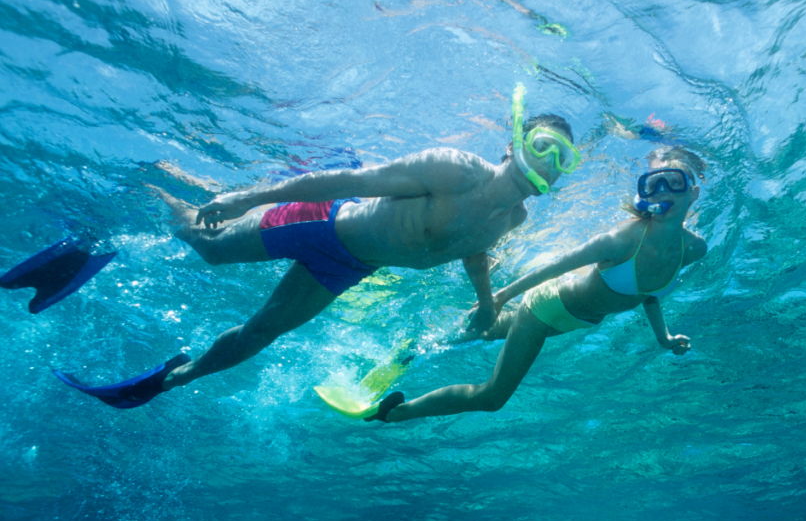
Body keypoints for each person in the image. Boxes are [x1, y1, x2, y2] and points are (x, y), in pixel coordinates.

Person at [54, 85, 582, 409]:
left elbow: (473, 254)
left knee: (260, 334)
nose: (548, 166)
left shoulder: (514, 217)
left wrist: (487, 303)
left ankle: (173, 379)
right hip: (322, 223)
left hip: (349, 266)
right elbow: (342, 181)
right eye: (543, 148)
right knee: (206, 245)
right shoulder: (454, 169)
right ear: (514, 141)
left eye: (563, 162)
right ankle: (152, 185)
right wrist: (248, 197)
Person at [375, 147, 708, 423]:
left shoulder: (693, 249)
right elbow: (556, 266)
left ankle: (415, 349)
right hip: (546, 308)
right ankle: (395, 414)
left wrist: (663, 337)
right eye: (654, 184)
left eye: (673, 183)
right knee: (492, 397)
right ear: (644, 192)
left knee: (483, 333)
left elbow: (648, 293)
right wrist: (500, 296)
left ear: (692, 193)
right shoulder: (623, 239)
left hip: (573, 320)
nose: (662, 191)